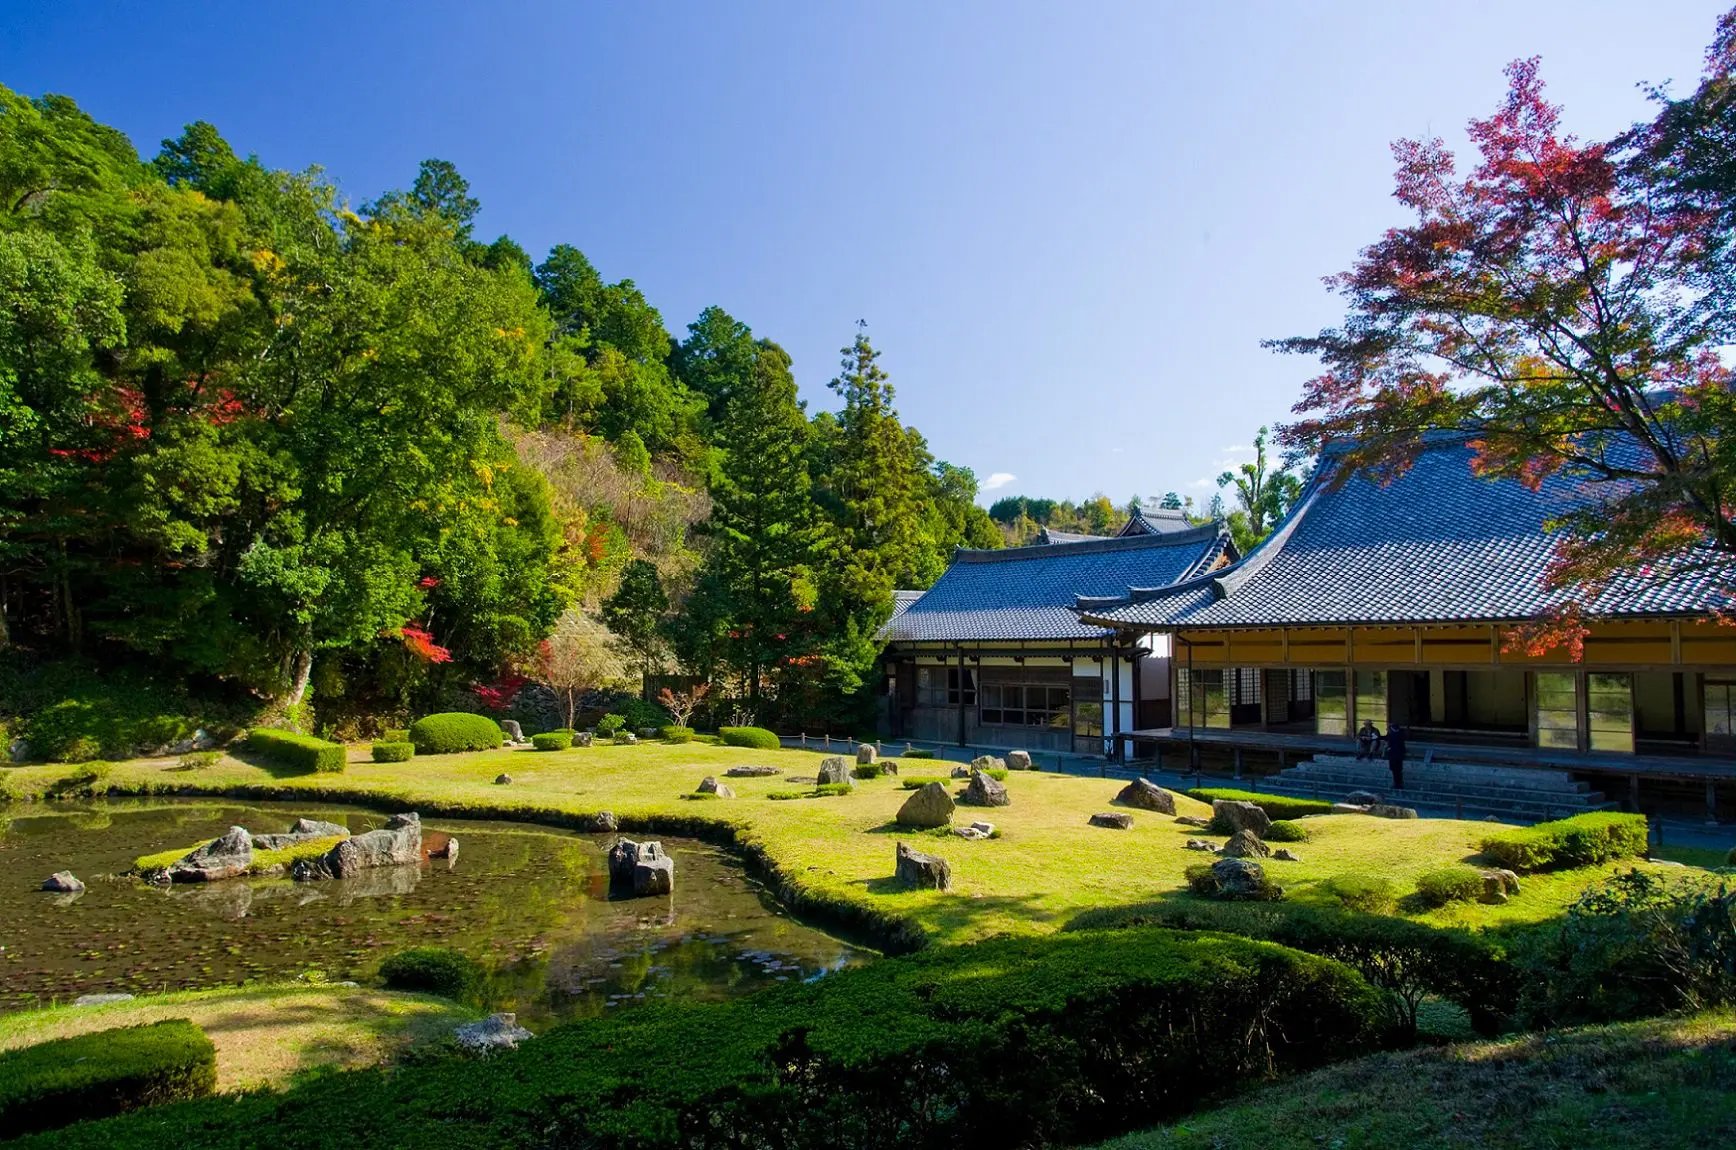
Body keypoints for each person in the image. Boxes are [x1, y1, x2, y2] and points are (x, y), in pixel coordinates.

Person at [1386, 724, 1407, 791]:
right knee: (1398, 770)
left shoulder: (1392, 735)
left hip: (1393, 754)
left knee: (1395, 770)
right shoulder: (1401, 734)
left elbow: (1389, 743)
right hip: (1399, 754)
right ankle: (1399, 783)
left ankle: (1397, 783)